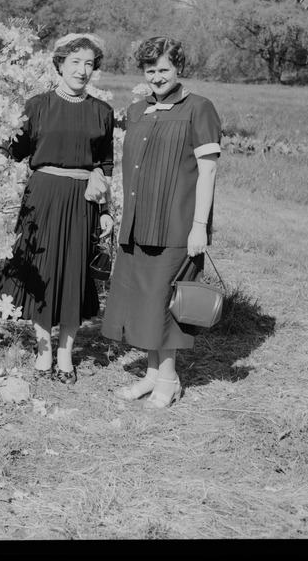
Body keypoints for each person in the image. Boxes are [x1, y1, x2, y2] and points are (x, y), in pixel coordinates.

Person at [101, 37, 221, 408]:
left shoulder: (199, 109)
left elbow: (208, 170)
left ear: (178, 68)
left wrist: (199, 225)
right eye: (150, 70)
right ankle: (152, 375)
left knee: (165, 301)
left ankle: (169, 379)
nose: (156, 77)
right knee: (144, 301)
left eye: (163, 69)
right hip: (138, 223)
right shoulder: (138, 111)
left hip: (176, 223)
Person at [0, 33, 115, 384]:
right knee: (42, 271)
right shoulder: (37, 106)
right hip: (43, 197)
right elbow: (10, 151)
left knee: (75, 274)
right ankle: (44, 350)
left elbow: (105, 165)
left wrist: (106, 209)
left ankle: (67, 355)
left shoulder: (102, 112)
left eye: (89, 63)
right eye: (75, 62)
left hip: (83, 201)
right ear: (60, 64)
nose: (82, 70)